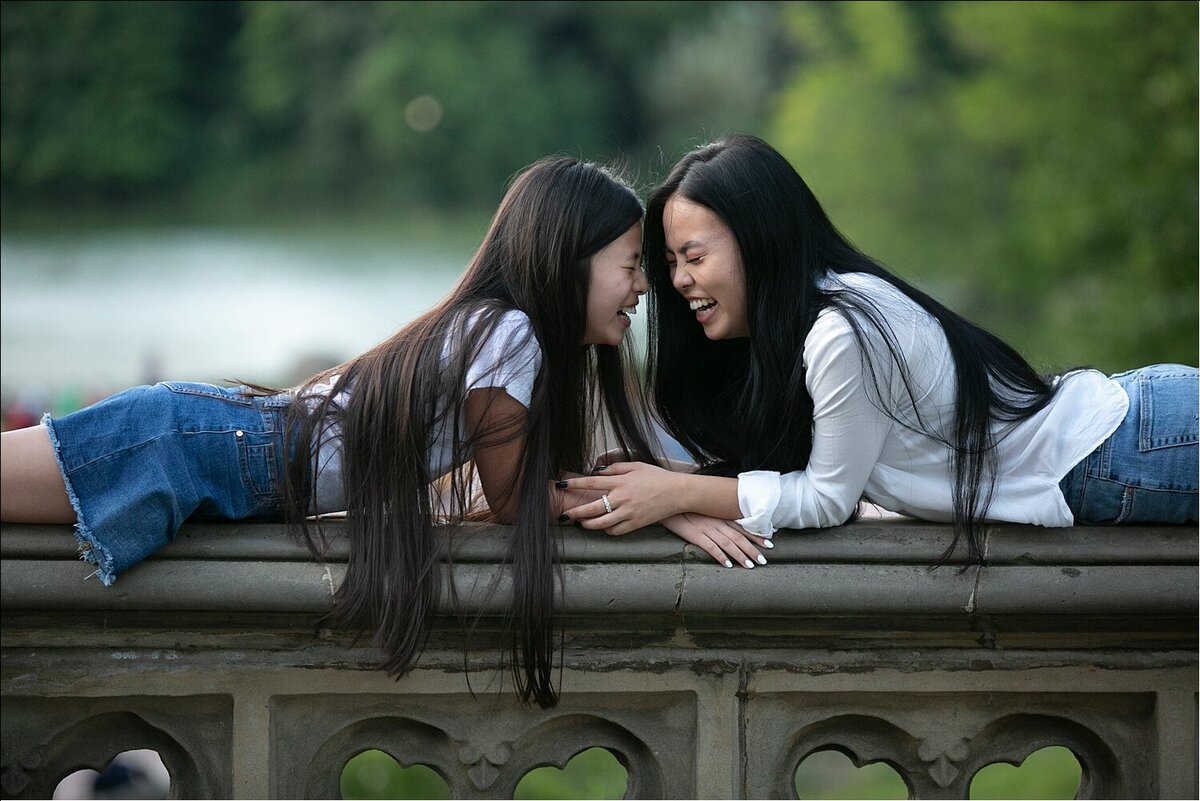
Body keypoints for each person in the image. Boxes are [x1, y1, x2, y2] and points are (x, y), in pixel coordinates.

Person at [0, 155, 766, 709]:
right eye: (630, 264)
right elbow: (513, 501)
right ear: (571, 257)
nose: (643, 286)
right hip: (201, 443)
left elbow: (504, 490)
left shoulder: (503, 336)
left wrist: (667, 495)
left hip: (221, 448)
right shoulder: (508, 334)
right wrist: (665, 501)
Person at [560, 135, 1198, 555]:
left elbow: (827, 499)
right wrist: (669, 482)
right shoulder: (814, 321)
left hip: (1133, 448)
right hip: (1129, 444)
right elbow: (807, 474)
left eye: (694, 257)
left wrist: (676, 494)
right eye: (671, 261)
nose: (677, 281)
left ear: (760, 240)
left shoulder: (843, 331)